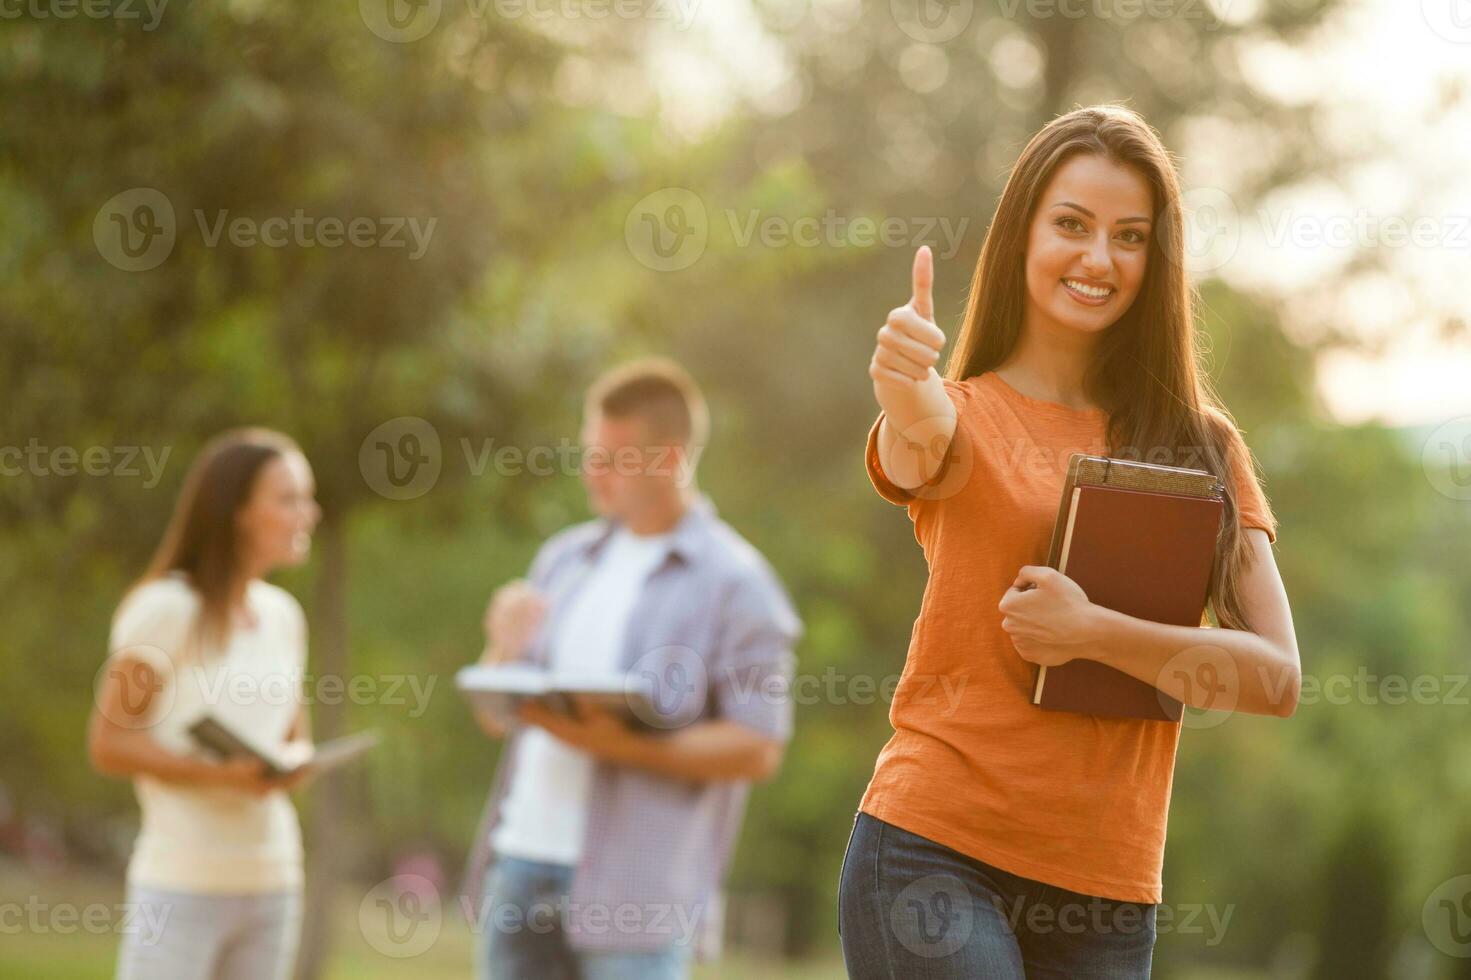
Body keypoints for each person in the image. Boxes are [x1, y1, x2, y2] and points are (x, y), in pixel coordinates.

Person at [839, 104, 1303, 979]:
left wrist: (1093, 634)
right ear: (1022, 234)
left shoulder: (1201, 447)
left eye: (1129, 236)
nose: (1098, 259)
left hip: (1108, 890)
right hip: (933, 852)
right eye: (1071, 225)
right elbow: (915, 446)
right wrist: (907, 398)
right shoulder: (959, 417)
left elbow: (1275, 677)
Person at [460, 357, 802, 980]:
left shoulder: (739, 586)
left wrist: (621, 746)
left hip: (637, 897)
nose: (593, 471)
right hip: (520, 863)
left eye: (615, 457)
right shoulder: (563, 559)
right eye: (591, 451)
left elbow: (759, 747)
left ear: (670, 460)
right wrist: (501, 650)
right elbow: (500, 720)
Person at [89, 428, 322, 980]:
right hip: (180, 884)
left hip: (273, 881)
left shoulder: (284, 616)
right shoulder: (164, 609)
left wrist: (290, 768)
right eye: (288, 499)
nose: (308, 514)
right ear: (237, 509)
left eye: (307, 498)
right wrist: (215, 774)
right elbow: (109, 743)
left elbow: (295, 741)